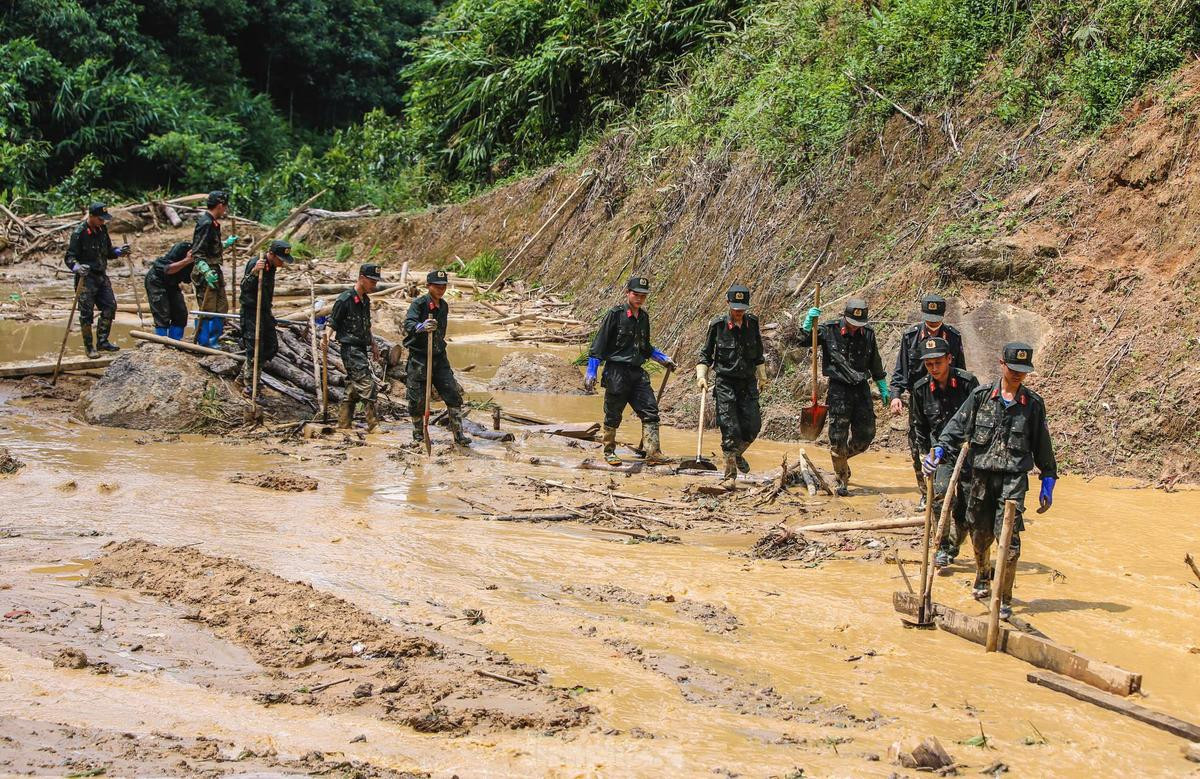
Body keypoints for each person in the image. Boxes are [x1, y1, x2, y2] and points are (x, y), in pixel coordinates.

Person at [928, 342, 1057, 620]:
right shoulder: (980, 396)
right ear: (1002, 365)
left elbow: (1043, 446)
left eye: (1023, 371)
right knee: (979, 535)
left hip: (1013, 482)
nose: (1018, 375)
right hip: (981, 479)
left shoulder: (1032, 405)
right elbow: (954, 430)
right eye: (1013, 369)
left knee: (1009, 543)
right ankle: (983, 575)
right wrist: (939, 451)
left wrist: (1048, 479)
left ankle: (1004, 596)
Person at [798, 298, 888, 495]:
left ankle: (842, 458)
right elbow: (802, 341)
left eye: (859, 325)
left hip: (861, 388)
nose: (855, 328)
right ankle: (841, 479)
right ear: (844, 318)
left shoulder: (869, 334)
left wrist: (882, 385)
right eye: (852, 324)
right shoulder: (829, 330)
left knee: (866, 435)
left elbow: (875, 361)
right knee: (838, 436)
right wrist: (808, 326)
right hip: (839, 389)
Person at [585, 276, 676, 466]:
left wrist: (663, 359)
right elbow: (598, 345)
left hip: (637, 373)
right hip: (616, 373)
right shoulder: (615, 315)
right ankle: (609, 450)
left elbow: (645, 347)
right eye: (636, 294)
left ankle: (653, 452)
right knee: (613, 413)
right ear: (628, 293)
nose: (639, 298)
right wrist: (591, 372)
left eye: (643, 295)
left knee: (650, 410)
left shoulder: (644, 318)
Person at [889, 294, 968, 504]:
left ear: (943, 315)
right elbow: (901, 370)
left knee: (952, 440)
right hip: (920, 398)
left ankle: (952, 492)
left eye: (936, 317)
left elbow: (960, 369)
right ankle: (927, 492)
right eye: (929, 317)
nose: (932, 322)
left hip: (948, 397)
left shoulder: (953, 337)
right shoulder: (910, 337)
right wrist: (895, 395)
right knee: (918, 444)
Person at [909, 336, 978, 567]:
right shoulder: (920, 389)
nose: (934, 368)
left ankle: (955, 543)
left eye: (939, 362)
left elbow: (978, 418)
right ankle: (942, 547)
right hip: (940, 451)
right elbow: (918, 425)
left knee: (967, 505)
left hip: (968, 451)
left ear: (949, 359)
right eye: (929, 364)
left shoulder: (968, 383)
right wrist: (922, 456)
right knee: (939, 494)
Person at [697, 284, 766, 482]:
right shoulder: (718, 325)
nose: (738, 312)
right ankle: (729, 477)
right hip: (725, 382)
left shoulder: (752, 323)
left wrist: (762, 377)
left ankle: (735, 455)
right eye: (735, 308)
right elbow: (705, 355)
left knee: (753, 426)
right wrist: (702, 376)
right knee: (729, 428)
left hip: (747, 382)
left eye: (742, 308)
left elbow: (758, 353)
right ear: (728, 304)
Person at [403, 269, 470, 446]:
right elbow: (408, 324)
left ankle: (459, 435)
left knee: (453, 393)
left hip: (439, 356)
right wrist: (421, 326)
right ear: (428, 286)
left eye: (444, 286)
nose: (441, 289)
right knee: (417, 399)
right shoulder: (419, 304)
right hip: (420, 357)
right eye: (437, 286)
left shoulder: (444, 306)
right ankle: (419, 436)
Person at [64, 203, 130, 358]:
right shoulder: (79, 233)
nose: (103, 222)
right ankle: (89, 347)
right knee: (86, 314)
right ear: (91, 216)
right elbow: (69, 257)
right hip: (86, 279)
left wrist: (119, 251)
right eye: (100, 219)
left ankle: (102, 341)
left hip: (101, 276)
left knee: (110, 306)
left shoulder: (102, 229)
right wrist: (77, 268)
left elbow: (108, 251)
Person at [330, 264, 383, 431]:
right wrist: (325, 338)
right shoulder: (345, 299)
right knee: (368, 385)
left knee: (353, 389)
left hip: (361, 348)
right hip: (350, 349)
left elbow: (366, 326)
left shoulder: (365, 300)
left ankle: (344, 425)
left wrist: (373, 343)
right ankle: (373, 425)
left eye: (375, 282)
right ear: (361, 278)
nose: (374, 285)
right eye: (371, 281)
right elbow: (333, 322)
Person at [239, 240, 295, 395]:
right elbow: (244, 287)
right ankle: (250, 385)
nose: (282, 264)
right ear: (271, 254)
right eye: (280, 260)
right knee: (254, 349)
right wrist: (255, 273)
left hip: (264, 311)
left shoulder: (272, 267)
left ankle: (243, 376)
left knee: (271, 346)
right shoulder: (256, 264)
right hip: (251, 311)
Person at [190, 190, 237, 348]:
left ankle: (214, 340)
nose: (225, 210)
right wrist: (206, 271)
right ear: (219, 206)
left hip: (215, 268)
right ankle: (204, 342)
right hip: (206, 272)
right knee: (208, 308)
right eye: (225, 207)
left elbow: (212, 248)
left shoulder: (214, 223)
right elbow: (197, 252)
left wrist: (226, 244)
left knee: (221, 306)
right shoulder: (205, 223)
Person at [144, 241, 194, 340]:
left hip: (173, 282)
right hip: (157, 280)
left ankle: (175, 341)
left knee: (181, 313)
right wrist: (187, 260)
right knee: (162, 313)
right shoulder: (182, 247)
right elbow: (168, 269)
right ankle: (162, 342)